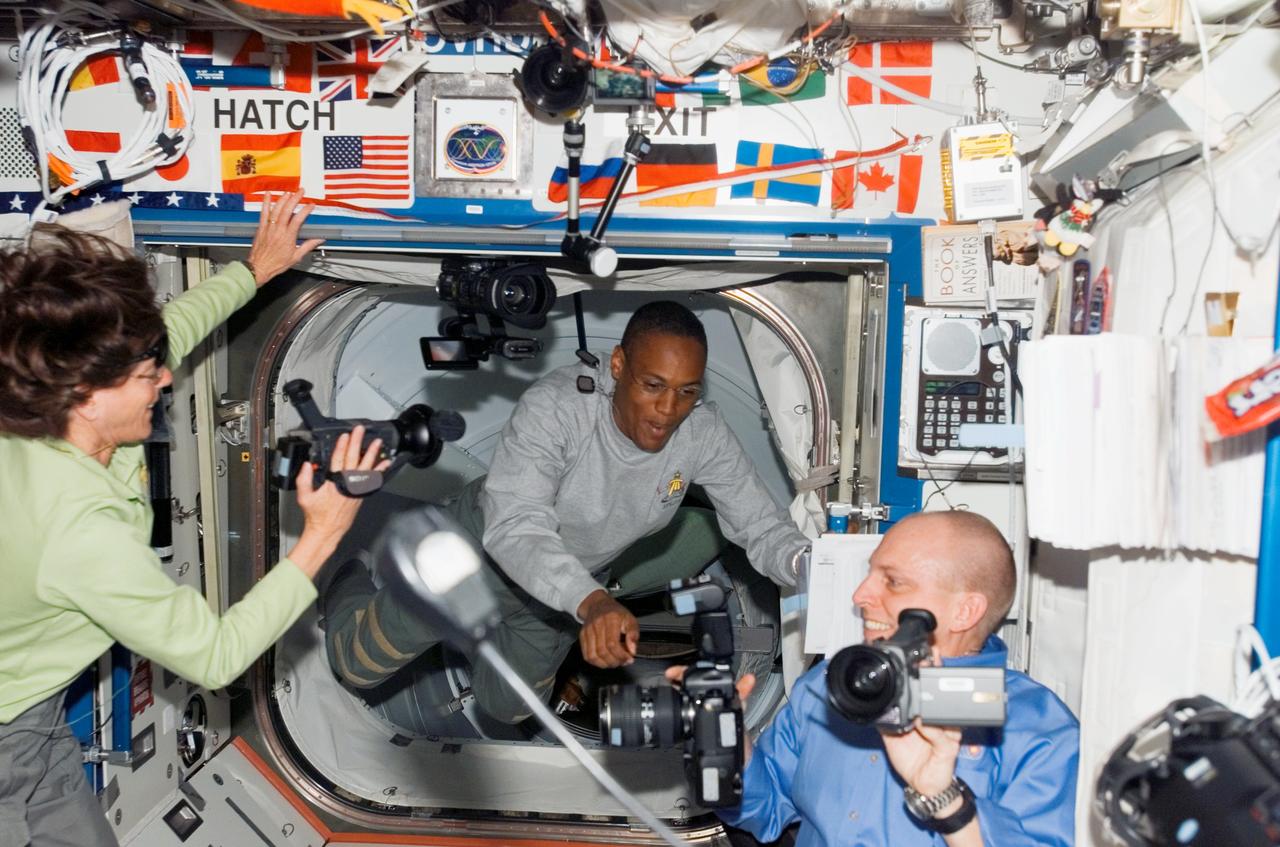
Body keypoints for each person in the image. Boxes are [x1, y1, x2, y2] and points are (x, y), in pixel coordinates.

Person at [0, 192, 387, 847]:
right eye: (146, 375)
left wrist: (255, 271)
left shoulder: (57, 401)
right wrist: (324, 531)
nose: (163, 380)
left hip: (30, 711)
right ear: (87, 397)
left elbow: (173, 329)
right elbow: (215, 656)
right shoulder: (78, 530)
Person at [323, 300, 811, 726]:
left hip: (563, 591)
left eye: (687, 391)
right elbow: (516, 525)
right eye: (653, 384)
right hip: (478, 556)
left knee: (508, 709)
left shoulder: (702, 434)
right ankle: (351, 575)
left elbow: (761, 523)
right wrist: (593, 603)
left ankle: (474, 636)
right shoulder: (558, 408)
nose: (668, 409)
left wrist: (806, 564)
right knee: (356, 665)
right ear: (618, 364)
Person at [714, 510, 1078, 846]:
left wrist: (946, 799)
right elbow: (762, 811)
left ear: (964, 611)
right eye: (869, 574)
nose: (860, 595)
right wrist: (727, 741)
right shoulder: (829, 687)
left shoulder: (1036, 729)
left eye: (894, 582)